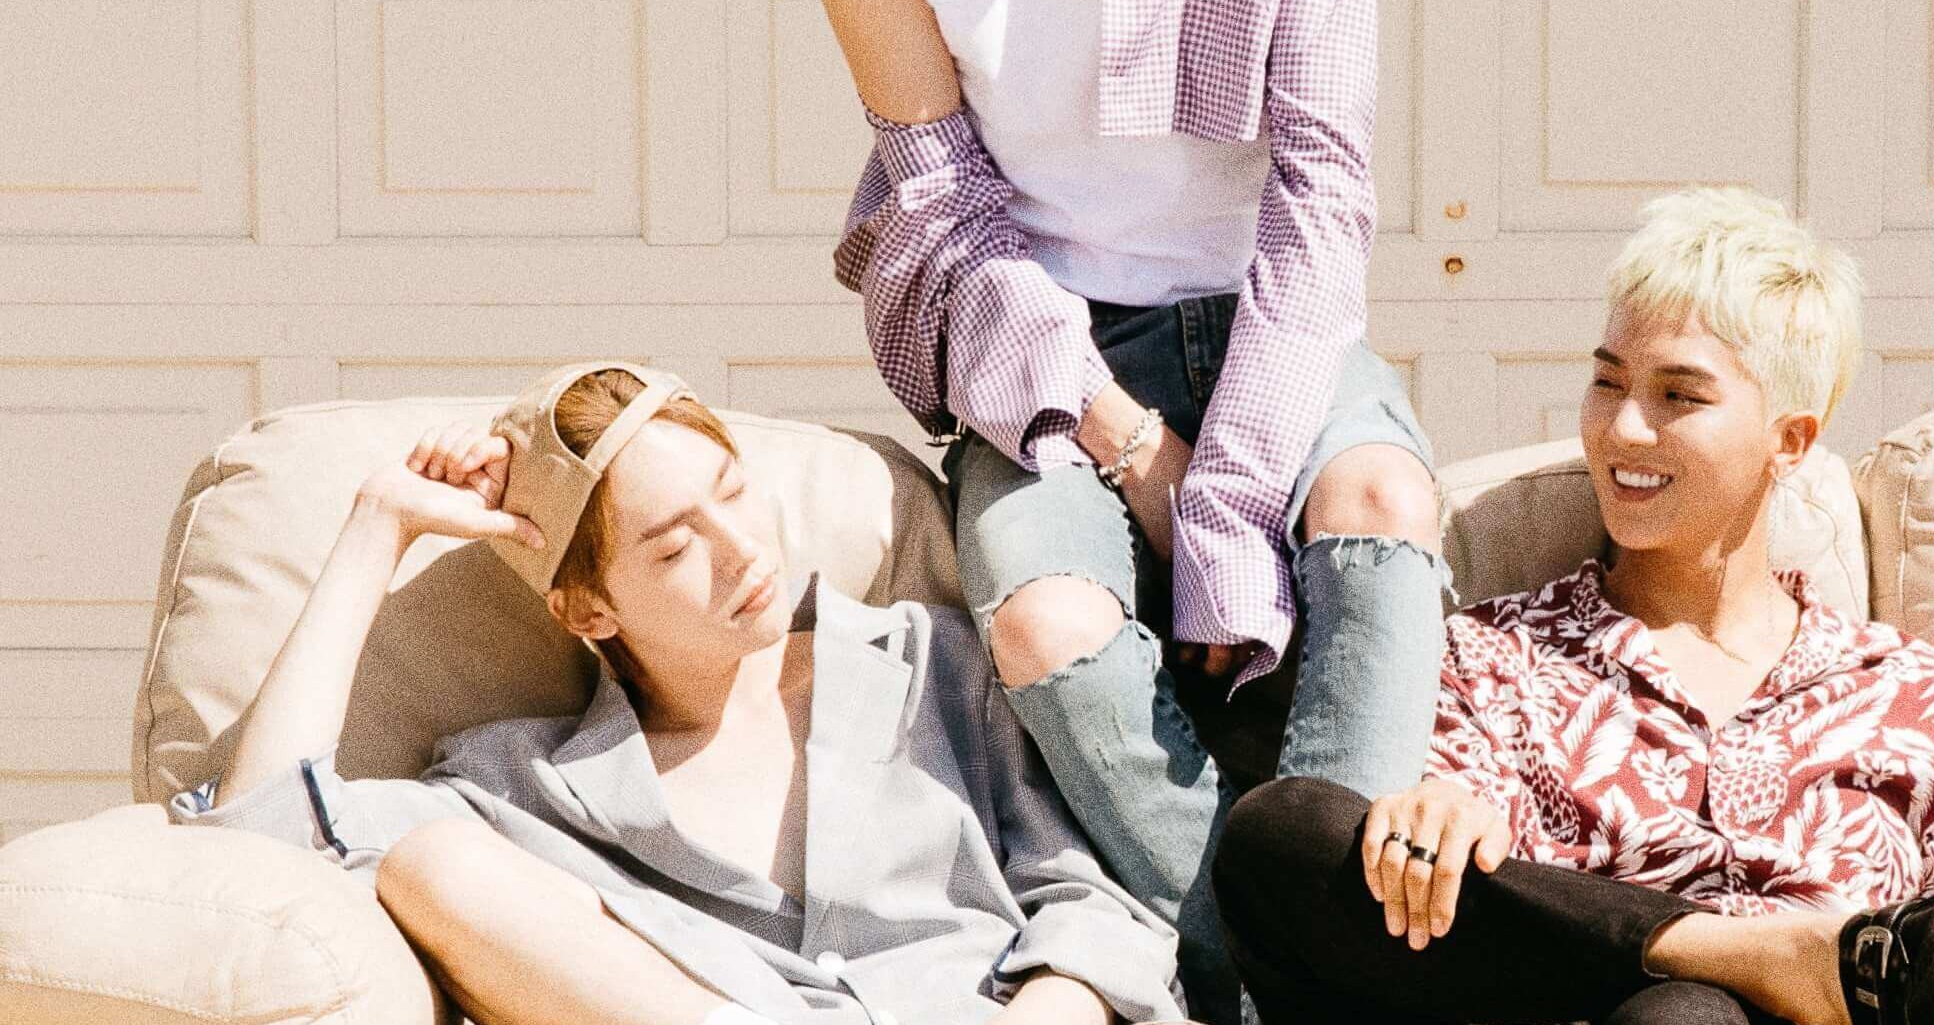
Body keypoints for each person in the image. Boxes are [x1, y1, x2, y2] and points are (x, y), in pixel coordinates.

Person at [799, 0, 1447, 1016]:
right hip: (1040, 341)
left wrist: (1231, 484)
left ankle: (1330, 937)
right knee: (1044, 615)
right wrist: (1124, 442)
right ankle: (1302, 974)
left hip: (1271, 315)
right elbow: (945, 207)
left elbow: (1323, 180)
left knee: (1377, 493)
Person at [1215, 189, 1934, 1025]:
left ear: (1788, 441)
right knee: (1282, 829)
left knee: (1681, 1017)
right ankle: (1753, 954)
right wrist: (1433, 821)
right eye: (1608, 383)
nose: (1624, 430)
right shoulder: (1490, 662)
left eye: (1679, 396)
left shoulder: (1922, 698)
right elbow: (1438, 921)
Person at [167, 363, 1181, 1025]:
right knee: (430, 863)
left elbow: (1094, 898)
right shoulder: (519, 792)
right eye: (673, 544)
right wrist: (377, 524)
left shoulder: (932, 665)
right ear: (588, 608)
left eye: (732, 493)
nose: (741, 550)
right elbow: (261, 841)